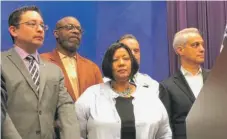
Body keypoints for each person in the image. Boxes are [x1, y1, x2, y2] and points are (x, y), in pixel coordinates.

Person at [1, 6, 80, 139]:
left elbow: (66, 108)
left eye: (42, 26)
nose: (39, 29)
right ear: (13, 30)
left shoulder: (54, 71)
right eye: (32, 24)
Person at [76, 42, 172, 139]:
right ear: (108, 65)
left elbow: (164, 134)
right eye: (115, 60)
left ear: (132, 63)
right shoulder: (91, 95)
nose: (121, 63)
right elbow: (75, 133)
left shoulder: (149, 96)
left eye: (126, 59)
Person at [159, 28, 209, 139]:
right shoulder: (167, 86)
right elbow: (166, 127)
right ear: (180, 50)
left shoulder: (215, 79)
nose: (202, 49)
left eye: (202, 44)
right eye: (195, 45)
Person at [41, 16, 103, 102]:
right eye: (69, 27)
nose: (76, 31)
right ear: (56, 33)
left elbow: (101, 102)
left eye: (79, 29)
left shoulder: (92, 68)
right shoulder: (42, 61)